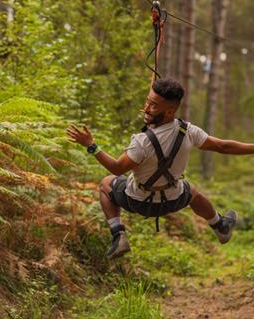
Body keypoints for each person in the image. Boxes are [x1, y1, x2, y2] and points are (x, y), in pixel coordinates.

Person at [66, 79, 254, 259]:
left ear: (170, 112)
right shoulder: (188, 131)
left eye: (153, 105)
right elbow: (223, 147)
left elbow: (116, 168)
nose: (146, 108)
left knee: (106, 184)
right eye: (147, 102)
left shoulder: (142, 142)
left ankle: (118, 235)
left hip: (136, 201)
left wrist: (92, 146)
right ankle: (220, 226)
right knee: (193, 192)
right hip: (173, 200)